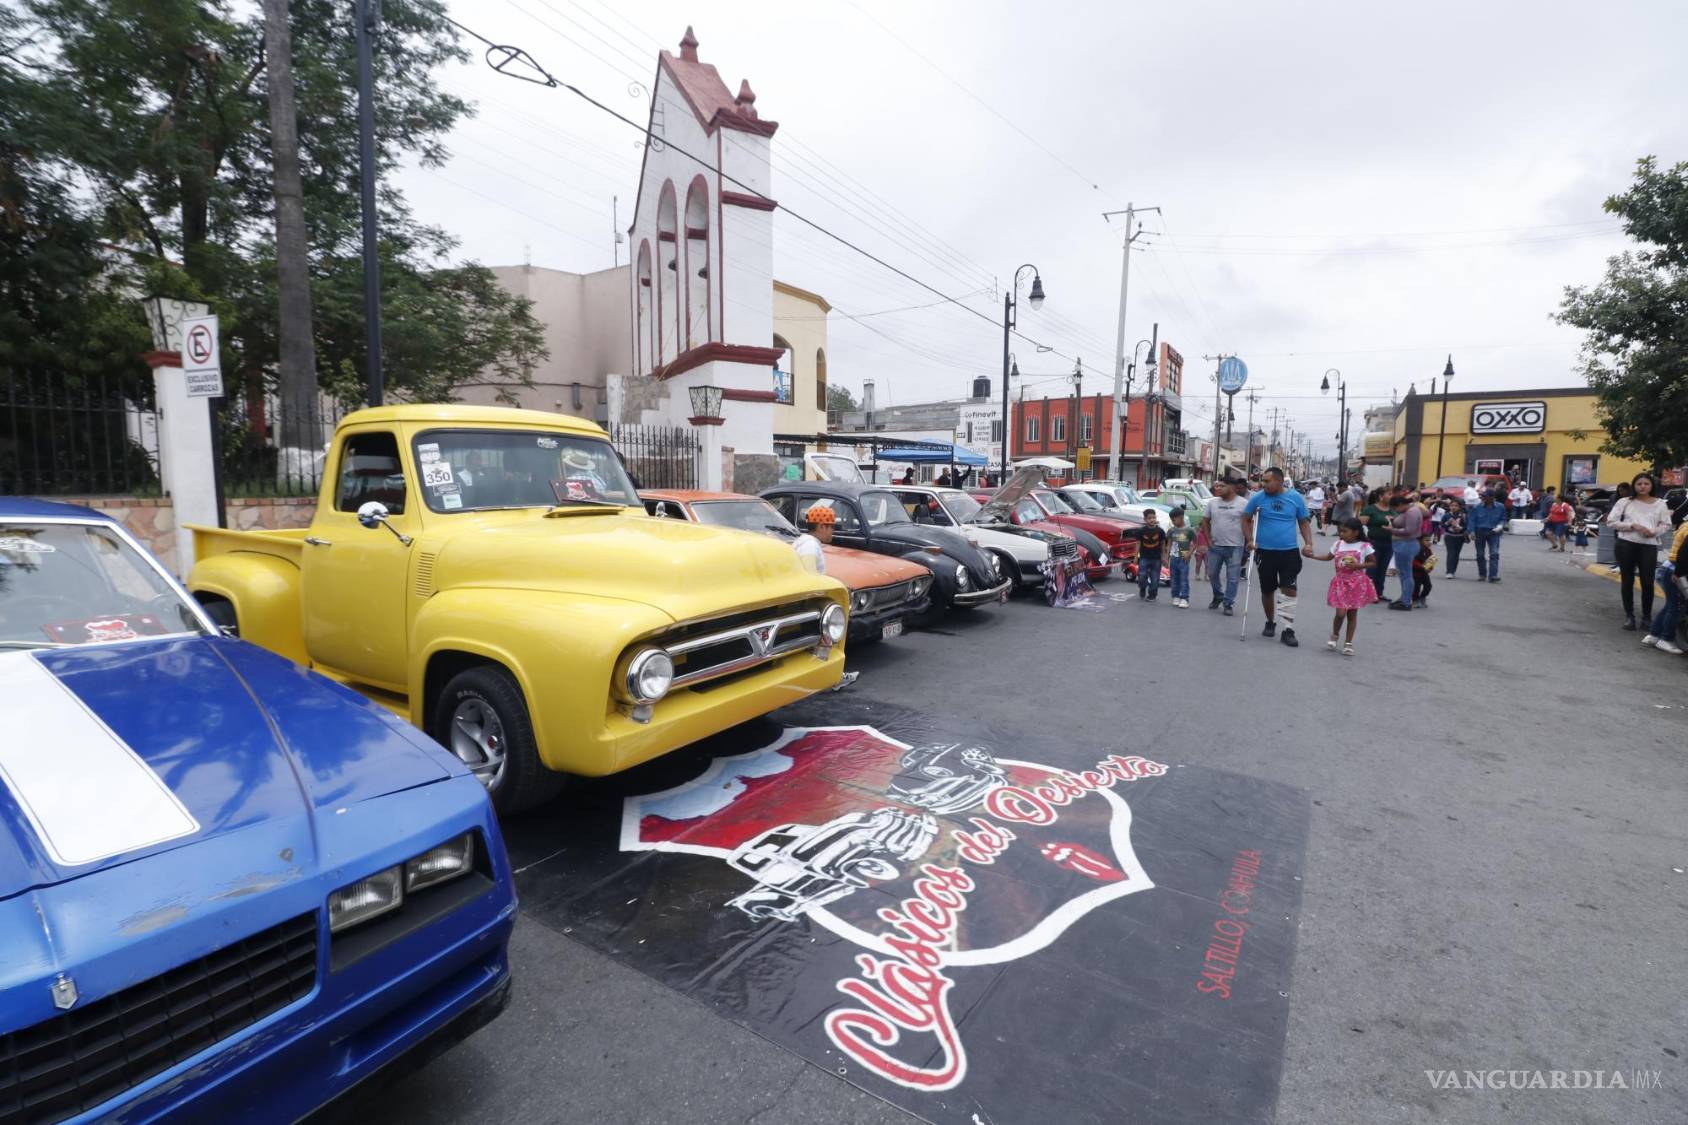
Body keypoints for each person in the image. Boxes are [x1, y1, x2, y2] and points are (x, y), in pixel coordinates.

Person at [1242, 467, 1314, 647]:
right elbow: (1245, 518)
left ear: (1279, 481)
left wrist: (1308, 543)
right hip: (1265, 552)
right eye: (1262, 481)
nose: (1263, 484)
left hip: (1289, 551)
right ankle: (1270, 621)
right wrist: (1250, 540)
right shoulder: (1258, 498)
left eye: (1267, 481)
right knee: (1267, 590)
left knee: (1289, 589)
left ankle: (1288, 629)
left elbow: (1303, 522)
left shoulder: (1296, 498)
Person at [1608, 471, 1673, 630]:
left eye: (1646, 484)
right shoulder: (1625, 502)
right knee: (1627, 580)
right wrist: (1632, 525)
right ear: (1634, 486)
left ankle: (1647, 617)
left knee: (1647, 581)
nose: (1642, 487)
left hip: (1649, 545)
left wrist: (1654, 531)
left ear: (1651, 486)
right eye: (1639, 484)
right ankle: (1629, 616)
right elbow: (1611, 522)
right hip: (1626, 544)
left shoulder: (1660, 504)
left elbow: (1666, 524)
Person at [1308, 517, 1376, 655]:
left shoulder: (1365, 546)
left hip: (1357, 583)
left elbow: (1372, 563)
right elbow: (1328, 557)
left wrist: (1358, 565)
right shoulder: (1338, 544)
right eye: (1341, 531)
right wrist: (1313, 556)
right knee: (1340, 613)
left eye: (1345, 531)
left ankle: (1348, 643)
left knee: (1352, 614)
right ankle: (1335, 634)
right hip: (1341, 582)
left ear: (1356, 532)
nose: (1341, 534)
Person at [1641, 517, 1688, 654]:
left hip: (1670, 568)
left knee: (1672, 604)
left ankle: (1654, 636)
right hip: (1676, 571)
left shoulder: (1685, 524)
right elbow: (1685, 552)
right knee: (1677, 606)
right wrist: (1679, 573)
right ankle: (1666, 639)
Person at [1201, 478, 1248, 615]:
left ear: (1232, 487)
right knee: (1212, 573)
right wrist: (1208, 539)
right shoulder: (1212, 503)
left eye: (1222, 485)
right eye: (1216, 485)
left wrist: (1250, 540)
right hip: (1215, 546)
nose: (1218, 488)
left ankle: (1228, 603)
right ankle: (1218, 595)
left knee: (1232, 577)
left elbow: (1249, 522)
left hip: (1235, 546)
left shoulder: (1244, 503)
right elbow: (1205, 521)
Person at [1385, 495, 1425, 609]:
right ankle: (1404, 598)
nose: (1395, 511)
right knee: (1403, 573)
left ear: (1401, 505)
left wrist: (1391, 530)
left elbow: (1409, 530)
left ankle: (1406, 600)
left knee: (1406, 574)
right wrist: (1393, 520)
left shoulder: (1411, 512)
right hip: (1404, 544)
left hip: (1406, 544)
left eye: (1395, 508)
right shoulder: (1409, 510)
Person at [1467, 489, 1509, 581]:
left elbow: (1503, 518)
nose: (1483, 498)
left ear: (1492, 498)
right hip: (1480, 532)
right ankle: (1482, 574)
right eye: (1483, 496)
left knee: (1494, 553)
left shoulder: (1500, 507)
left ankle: (1493, 575)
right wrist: (1472, 532)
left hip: (1494, 532)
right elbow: (1471, 520)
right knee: (1480, 554)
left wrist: (1500, 526)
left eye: (1485, 496)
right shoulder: (1477, 507)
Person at [1359, 488, 1394, 598]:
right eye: (1389, 494)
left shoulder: (1392, 510)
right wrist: (1364, 540)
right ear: (1380, 496)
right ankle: (1369, 593)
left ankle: (1379, 592)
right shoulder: (1370, 509)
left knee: (1383, 569)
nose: (1391, 496)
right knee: (1372, 568)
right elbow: (1359, 525)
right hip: (1374, 542)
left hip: (1389, 543)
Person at [1166, 508, 1195, 608]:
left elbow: (1195, 543)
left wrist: (1189, 553)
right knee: (1174, 579)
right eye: (1172, 520)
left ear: (1181, 517)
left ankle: (1184, 598)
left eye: (1174, 520)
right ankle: (1175, 596)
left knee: (1183, 579)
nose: (1173, 522)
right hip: (1173, 558)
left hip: (1184, 558)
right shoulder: (1171, 530)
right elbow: (1169, 544)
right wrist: (1166, 557)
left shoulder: (1189, 530)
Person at [1136, 510, 1165, 602]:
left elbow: (1163, 544)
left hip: (1156, 558)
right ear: (1145, 519)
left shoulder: (1160, 531)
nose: (1152, 520)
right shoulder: (1141, 531)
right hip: (1144, 557)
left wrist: (1164, 557)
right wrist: (1135, 556)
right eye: (1149, 518)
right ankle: (1142, 587)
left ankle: (1152, 594)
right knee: (1142, 575)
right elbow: (1138, 543)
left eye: (1154, 517)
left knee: (1155, 577)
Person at [794, 506, 832, 573]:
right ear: (821, 527)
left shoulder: (807, 542)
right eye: (832, 527)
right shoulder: (810, 546)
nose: (832, 531)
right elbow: (810, 578)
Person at [1442, 499, 1469, 576]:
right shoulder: (1447, 515)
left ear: (1460, 507)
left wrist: (1461, 528)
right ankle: (1449, 571)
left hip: (1460, 537)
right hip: (1449, 536)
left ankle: (1453, 570)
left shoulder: (1463, 515)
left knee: (1456, 554)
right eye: (1452, 505)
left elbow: (1467, 526)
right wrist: (1448, 522)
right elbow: (1442, 525)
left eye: (1456, 506)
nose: (1453, 507)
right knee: (1451, 553)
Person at [1412, 534, 1435, 608]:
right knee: (1416, 587)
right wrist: (1420, 566)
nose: (1429, 542)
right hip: (1415, 572)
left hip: (1424, 571)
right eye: (1426, 540)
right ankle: (1414, 600)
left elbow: (1431, 560)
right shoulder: (1417, 549)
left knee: (1428, 586)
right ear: (1421, 541)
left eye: (1430, 540)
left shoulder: (1428, 550)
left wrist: (1430, 567)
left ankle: (1422, 597)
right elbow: (1413, 561)